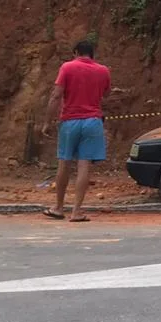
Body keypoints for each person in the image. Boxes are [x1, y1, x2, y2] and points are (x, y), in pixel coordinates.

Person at [41, 39, 111, 222]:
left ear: (75, 52)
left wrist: (47, 122)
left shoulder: (67, 67)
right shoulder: (103, 71)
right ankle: (77, 211)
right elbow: (106, 93)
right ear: (92, 53)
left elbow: (56, 95)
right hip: (93, 122)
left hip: (69, 122)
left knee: (64, 163)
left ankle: (58, 207)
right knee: (84, 165)